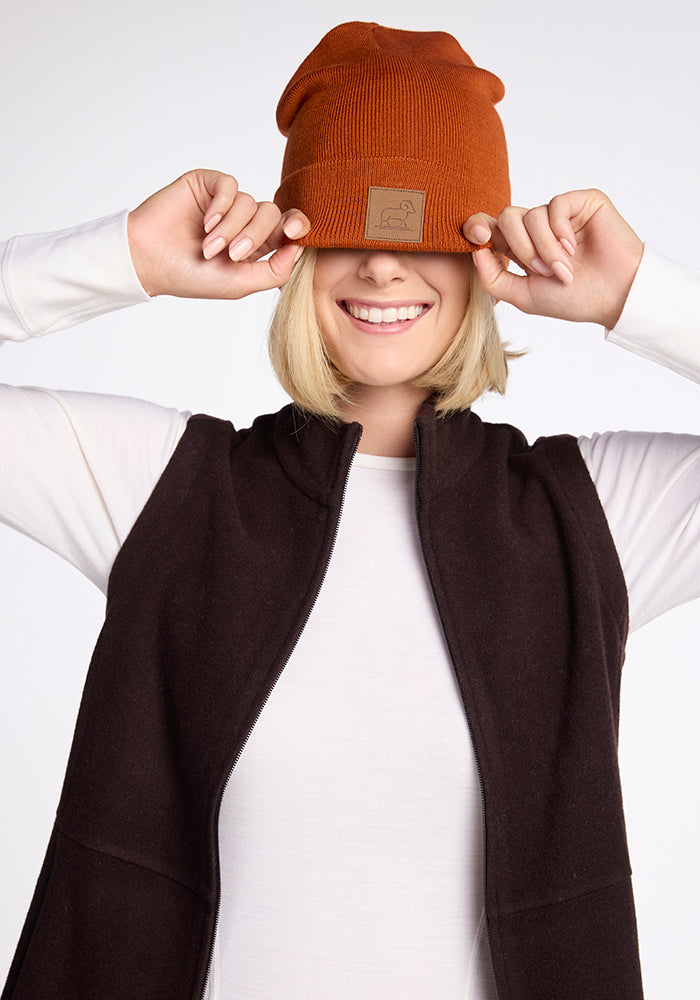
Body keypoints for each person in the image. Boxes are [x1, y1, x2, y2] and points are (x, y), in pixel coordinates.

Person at [1, 20, 698, 1000]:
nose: (380, 267)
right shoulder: (160, 486)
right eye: (347, 230)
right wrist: (122, 258)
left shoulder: (591, 518)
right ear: (293, 251)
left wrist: (638, 294)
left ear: (487, 261)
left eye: (424, 235)